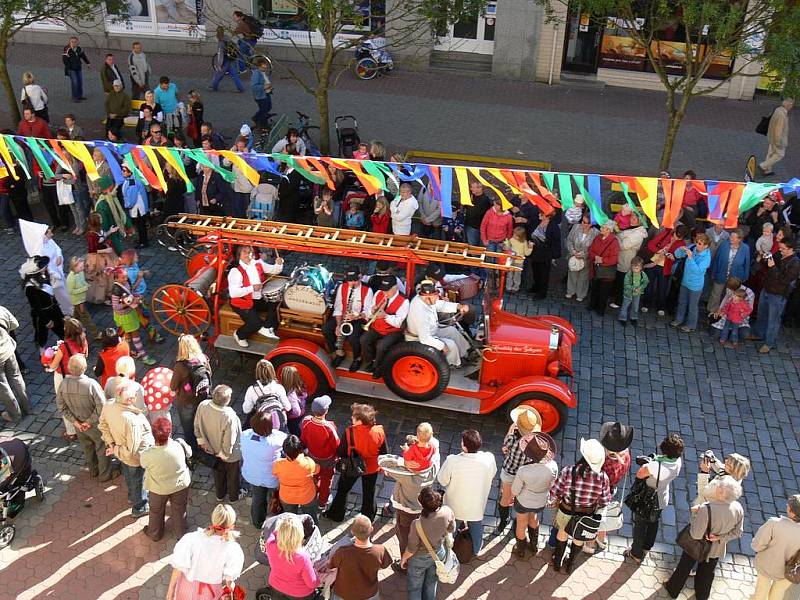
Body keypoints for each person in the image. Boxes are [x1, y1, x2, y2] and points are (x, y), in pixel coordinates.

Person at [664, 478, 744, 600]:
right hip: (716, 548)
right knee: (707, 575)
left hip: (697, 546)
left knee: (684, 567)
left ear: (721, 492)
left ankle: (672, 589)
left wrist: (696, 514)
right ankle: (702, 596)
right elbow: (737, 532)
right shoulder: (738, 508)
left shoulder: (707, 508)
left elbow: (696, 534)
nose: (717, 486)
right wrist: (719, 538)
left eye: (719, 486)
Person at [547, 438, 612, 573]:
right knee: (578, 539)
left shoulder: (569, 471)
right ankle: (570, 564)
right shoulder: (603, 477)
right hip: (586, 515)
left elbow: (555, 490)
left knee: (562, 533)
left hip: (566, 510)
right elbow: (605, 501)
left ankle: (557, 561)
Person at [56, 354, 119, 481]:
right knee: (101, 448)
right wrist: (89, 422)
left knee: (87, 448)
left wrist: (76, 423)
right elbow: (102, 406)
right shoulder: (91, 384)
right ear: (84, 368)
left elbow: (62, 407)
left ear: (69, 368)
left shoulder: (63, 384)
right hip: (95, 425)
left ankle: (93, 470)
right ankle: (104, 475)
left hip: (79, 425)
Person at [624, 433, 684, 564]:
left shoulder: (655, 466)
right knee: (653, 522)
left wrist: (649, 463)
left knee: (640, 525)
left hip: (647, 499)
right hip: (661, 497)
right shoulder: (677, 462)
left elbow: (640, 475)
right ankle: (647, 547)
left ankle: (635, 553)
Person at [436, 429, 496, 557]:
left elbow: (442, 480)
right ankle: (475, 550)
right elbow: (493, 473)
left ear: (464, 446)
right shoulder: (488, 459)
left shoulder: (452, 461)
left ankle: (447, 549)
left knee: (451, 526)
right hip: (476, 504)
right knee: (476, 526)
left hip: (454, 504)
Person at [166, 504, 245, 600]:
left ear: (213, 519)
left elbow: (178, 567)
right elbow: (229, 579)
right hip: (211, 592)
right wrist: (231, 585)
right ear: (232, 525)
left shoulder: (192, 538)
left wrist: (170, 591)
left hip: (187, 588)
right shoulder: (233, 549)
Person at [325, 403, 387, 522]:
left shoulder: (349, 432)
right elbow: (384, 452)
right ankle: (367, 518)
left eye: (354, 417)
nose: (351, 418)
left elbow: (342, 451)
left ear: (361, 421)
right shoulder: (379, 431)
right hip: (371, 468)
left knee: (342, 491)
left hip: (352, 466)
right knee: (369, 492)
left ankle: (336, 514)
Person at [99, 381, 154, 517]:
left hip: (121, 452)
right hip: (134, 457)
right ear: (130, 399)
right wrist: (115, 449)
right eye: (135, 395)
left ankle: (132, 497)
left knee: (129, 477)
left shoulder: (109, 405)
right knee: (137, 480)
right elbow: (132, 449)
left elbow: (103, 425)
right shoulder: (131, 420)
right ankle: (139, 507)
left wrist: (111, 444)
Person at [140, 418, 191, 541]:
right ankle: (180, 534)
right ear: (169, 432)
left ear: (153, 435)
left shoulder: (148, 454)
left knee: (156, 511)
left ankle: (155, 533)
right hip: (180, 485)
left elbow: (143, 464)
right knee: (179, 508)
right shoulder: (178, 445)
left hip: (158, 489)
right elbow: (189, 453)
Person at [400, 488, 455, 600]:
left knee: (415, 588)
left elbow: (412, 548)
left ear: (421, 505)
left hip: (419, 559)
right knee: (431, 583)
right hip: (439, 554)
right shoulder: (447, 511)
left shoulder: (417, 524)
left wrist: (403, 559)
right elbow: (451, 528)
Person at [749, 236, 800, 353]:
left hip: (778, 295)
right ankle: (758, 334)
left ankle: (769, 343)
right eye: (780, 247)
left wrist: (772, 267)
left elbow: (784, 280)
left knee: (773, 320)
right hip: (766, 289)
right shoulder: (779, 255)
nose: (780, 250)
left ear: (791, 249)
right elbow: (768, 263)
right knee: (762, 315)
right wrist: (765, 258)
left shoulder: (795, 264)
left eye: (783, 248)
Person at [511, 432, 558, 557]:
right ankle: (534, 545)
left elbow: (515, 491)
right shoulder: (553, 467)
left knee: (521, 524)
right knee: (534, 519)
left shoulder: (524, 470)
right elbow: (552, 485)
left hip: (523, 501)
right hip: (541, 500)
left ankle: (520, 550)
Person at [405, 280, 470, 368]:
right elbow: (425, 338)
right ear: (428, 297)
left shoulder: (425, 298)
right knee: (450, 345)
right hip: (418, 338)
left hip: (432, 329)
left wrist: (458, 306)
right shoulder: (420, 313)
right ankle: (454, 365)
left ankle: (466, 353)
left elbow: (439, 305)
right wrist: (442, 346)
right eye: (435, 296)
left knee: (452, 331)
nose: (437, 298)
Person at [228, 245, 284, 346]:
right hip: (241, 302)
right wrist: (252, 288)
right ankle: (239, 335)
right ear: (238, 255)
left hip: (256, 299)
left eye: (250, 251)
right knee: (256, 324)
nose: (248, 254)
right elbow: (233, 293)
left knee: (276, 301)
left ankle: (267, 327)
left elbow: (273, 270)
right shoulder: (235, 271)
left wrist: (278, 264)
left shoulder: (258, 263)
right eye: (245, 252)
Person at [195, 385, 243, 503]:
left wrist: (202, 443)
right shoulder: (229, 416)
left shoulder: (203, 406)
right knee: (233, 476)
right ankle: (233, 497)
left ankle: (219, 495)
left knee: (218, 473)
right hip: (229, 455)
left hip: (211, 450)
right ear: (227, 400)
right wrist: (224, 454)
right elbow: (229, 440)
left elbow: (197, 426)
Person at [498, 407, 542, 532]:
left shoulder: (512, 438)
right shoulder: (535, 442)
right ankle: (518, 522)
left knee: (505, 498)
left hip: (509, 472)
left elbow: (505, 448)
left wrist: (512, 429)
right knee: (521, 499)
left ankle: (503, 521)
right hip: (525, 476)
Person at [242, 405, 286, 528]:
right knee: (277, 497)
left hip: (252, 476)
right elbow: (285, 438)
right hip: (272, 478)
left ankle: (258, 522)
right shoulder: (276, 440)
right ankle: (277, 520)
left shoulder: (244, 435)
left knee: (258, 499)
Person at [330, 514, 393, 600]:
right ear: (371, 529)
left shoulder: (342, 552)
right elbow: (384, 566)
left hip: (344, 593)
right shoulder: (380, 550)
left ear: (352, 531)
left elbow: (331, 567)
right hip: (369, 594)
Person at [323, 267, 374, 370]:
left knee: (353, 337)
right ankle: (339, 352)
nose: (352, 283)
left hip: (359, 318)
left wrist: (358, 316)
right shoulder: (342, 287)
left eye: (355, 280)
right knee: (326, 329)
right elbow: (338, 307)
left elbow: (368, 311)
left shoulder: (368, 290)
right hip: (344, 315)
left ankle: (357, 358)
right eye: (350, 280)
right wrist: (338, 325)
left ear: (360, 277)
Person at [751, 495, 800, 600]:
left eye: (788, 505)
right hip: (790, 571)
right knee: (778, 594)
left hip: (767, 566)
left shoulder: (774, 523)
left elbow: (757, 545)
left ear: (791, 512)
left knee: (761, 592)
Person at [170, 334, 213, 456]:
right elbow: (209, 374)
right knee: (201, 422)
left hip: (186, 401)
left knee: (188, 427)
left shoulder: (180, 366)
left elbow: (173, 386)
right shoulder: (203, 358)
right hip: (202, 398)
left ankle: (193, 451)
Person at [360, 275, 409, 379]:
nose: (385, 293)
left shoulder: (404, 301)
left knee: (381, 346)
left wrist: (385, 316)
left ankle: (379, 367)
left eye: (387, 291)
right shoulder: (379, 293)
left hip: (393, 331)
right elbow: (370, 311)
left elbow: (399, 323)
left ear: (395, 288)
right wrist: (371, 312)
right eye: (383, 290)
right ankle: (369, 362)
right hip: (377, 326)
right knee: (363, 339)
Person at [47, 317, 88, 439]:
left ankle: (71, 432)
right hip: (79, 375)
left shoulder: (64, 347)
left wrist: (48, 366)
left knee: (65, 404)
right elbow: (85, 356)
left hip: (63, 377)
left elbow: (54, 365)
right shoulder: (83, 340)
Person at [265, 516, 320, 600]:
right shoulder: (302, 556)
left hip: (276, 587)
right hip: (299, 594)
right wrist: (318, 578)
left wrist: (284, 529)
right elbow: (311, 583)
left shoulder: (270, 545)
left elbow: (273, 533)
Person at [300, 395, 339, 511]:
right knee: (326, 481)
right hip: (327, 459)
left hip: (312, 456)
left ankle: (312, 495)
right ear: (326, 411)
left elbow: (303, 438)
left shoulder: (306, 421)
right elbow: (336, 444)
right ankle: (322, 502)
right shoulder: (329, 426)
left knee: (313, 477)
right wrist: (337, 457)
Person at [110, 267, 156, 366]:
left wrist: (136, 296)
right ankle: (143, 355)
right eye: (122, 278)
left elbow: (130, 292)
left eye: (126, 277)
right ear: (116, 279)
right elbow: (116, 306)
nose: (125, 279)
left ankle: (127, 351)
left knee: (126, 333)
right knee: (135, 334)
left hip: (130, 312)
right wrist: (129, 303)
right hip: (125, 316)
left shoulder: (127, 282)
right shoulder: (115, 290)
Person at [641, 224, 688, 316]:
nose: (676, 238)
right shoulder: (666, 233)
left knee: (662, 289)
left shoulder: (682, 244)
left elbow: (679, 257)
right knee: (649, 286)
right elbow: (651, 244)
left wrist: (673, 257)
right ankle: (646, 304)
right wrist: (659, 251)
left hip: (665, 267)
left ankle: (660, 306)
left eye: (679, 237)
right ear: (674, 232)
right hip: (653, 263)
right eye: (675, 235)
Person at [20, 256, 64, 351]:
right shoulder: (30, 288)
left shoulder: (43, 276)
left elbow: (51, 295)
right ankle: (42, 350)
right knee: (42, 334)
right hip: (42, 315)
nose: (46, 267)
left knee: (62, 330)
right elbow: (36, 307)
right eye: (44, 266)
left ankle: (66, 348)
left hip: (53, 309)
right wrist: (46, 320)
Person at [670, 233, 712, 333]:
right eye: (697, 242)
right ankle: (679, 319)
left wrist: (690, 258)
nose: (697, 245)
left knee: (692, 306)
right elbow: (677, 255)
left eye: (700, 244)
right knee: (682, 302)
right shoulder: (692, 248)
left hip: (695, 286)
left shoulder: (706, 257)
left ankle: (691, 325)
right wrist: (681, 249)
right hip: (685, 281)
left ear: (706, 246)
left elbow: (697, 271)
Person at [273, 434, 320, 521]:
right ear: (300, 449)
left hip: (287, 497)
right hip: (306, 496)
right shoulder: (308, 463)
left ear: (284, 451)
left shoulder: (278, 464)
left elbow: (275, 474)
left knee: (290, 519)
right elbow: (317, 470)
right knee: (311, 518)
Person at [707, 229, 750, 314]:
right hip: (721, 273)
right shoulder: (724, 245)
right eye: (731, 236)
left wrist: (744, 277)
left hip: (735, 278)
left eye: (734, 237)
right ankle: (711, 313)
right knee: (715, 294)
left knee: (731, 297)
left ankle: (725, 315)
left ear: (739, 239)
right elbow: (717, 259)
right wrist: (714, 273)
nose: (731, 239)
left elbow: (746, 264)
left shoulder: (745, 248)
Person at [0, 306, 30, 423]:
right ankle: (27, 407)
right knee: (16, 377)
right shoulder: (1, 309)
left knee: (3, 386)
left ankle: (15, 415)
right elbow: (15, 324)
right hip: (8, 349)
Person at [610, 213, 647, 307]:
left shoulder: (638, 234)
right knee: (618, 279)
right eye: (632, 217)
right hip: (621, 258)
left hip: (627, 260)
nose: (632, 219)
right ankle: (615, 297)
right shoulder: (631, 228)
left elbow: (623, 245)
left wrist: (616, 237)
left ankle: (619, 301)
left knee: (622, 280)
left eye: (635, 219)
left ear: (640, 222)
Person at [242, 358, 290, 429]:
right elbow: (288, 407)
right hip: (278, 421)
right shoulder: (279, 388)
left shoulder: (251, 390)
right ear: (272, 372)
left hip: (263, 422)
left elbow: (246, 410)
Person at [93, 175, 132, 255]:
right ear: (107, 189)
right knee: (119, 254)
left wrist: (128, 225)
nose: (115, 189)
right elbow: (104, 227)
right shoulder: (101, 205)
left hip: (115, 231)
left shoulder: (112, 197)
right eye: (113, 187)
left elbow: (120, 212)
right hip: (111, 235)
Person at [587, 222, 619, 315]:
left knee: (603, 292)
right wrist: (595, 257)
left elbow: (614, 258)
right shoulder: (598, 238)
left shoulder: (614, 242)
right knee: (595, 288)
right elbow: (591, 250)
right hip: (596, 269)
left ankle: (600, 309)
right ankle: (592, 305)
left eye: (604, 228)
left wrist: (602, 260)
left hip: (606, 272)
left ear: (609, 230)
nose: (601, 228)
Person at [527, 210, 561, 298]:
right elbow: (530, 231)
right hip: (534, 252)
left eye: (542, 214)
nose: (539, 215)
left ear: (548, 216)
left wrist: (553, 255)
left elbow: (556, 242)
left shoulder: (553, 227)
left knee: (544, 274)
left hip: (545, 254)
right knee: (535, 271)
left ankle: (542, 293)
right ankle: (536, 286)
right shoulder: (536, 221)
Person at [565, 212, 597, 302]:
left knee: (583, 277)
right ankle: (570, 291)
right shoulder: (576, 227)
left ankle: (581, 294)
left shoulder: (595, 233)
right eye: (582, 221)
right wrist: (573, 251)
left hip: (586, 259)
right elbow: (569, 240)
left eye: (585, 222)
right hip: (573, 255)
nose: (582, 223)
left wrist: (583, 254)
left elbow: (594, 248)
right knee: (572, 274)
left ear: (591, 224)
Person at [759, 97, 794, 177]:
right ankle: (763, 166)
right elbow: (778, 129)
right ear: (789, 105)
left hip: (771, 136)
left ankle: (767, 170)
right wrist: (778, 142)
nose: (792, 107)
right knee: (780, 155)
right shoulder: (782, 115)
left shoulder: (778, 109)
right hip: (777, 139)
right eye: (792, 105)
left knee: (771, 154)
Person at [120, 165, 150, 248]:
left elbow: (132, 197)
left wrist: (127, 205)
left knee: (141, 225)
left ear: (130, 172)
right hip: (138, 207)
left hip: (138, 208)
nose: (122, 172)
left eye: (124, 170)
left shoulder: (132, 181)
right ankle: (142, 240)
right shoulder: (131, 179)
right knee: (140, 225)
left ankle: (143, 242)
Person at [210, 27, 245, 93]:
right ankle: (240, 88)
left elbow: (221, 55)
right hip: (232, 58)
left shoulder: (221, 42)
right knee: (234, 75)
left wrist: (219, 64)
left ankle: (214, 87)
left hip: (226, 60)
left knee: (219, 73)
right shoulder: (227, 38)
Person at [619, 256, 648, 327]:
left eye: (637, 268)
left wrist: (640, 287)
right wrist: (633, 288)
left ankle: (633, 318)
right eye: (633, 267)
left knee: (635, 307)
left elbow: (646, 282)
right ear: (631, 266)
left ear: (641, 268)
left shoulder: (642, 274)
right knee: (624, 307)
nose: (635, 269)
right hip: (628, 294)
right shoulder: (628, 274)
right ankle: (622, 318)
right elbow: (626, 285)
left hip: (637, 294)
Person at [504, 225, 533, 293]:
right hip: (511, 260)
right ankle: (508, 287)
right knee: (509, 274)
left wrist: (530, 247)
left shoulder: (524, 243)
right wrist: (506, 244)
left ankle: (515, 288)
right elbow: (508, 248)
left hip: (519, 262)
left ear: (521, 236)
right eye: (513, 234)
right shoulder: (512, 239)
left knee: (517, 276)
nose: (513, 236)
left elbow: (527, 253)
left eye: (515, 235)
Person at [62, 36, 91, 102]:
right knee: (75, 82)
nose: (73, 43)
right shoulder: (67, 49)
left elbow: (83, 56)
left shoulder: (79, 49)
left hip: (78, 68)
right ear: (69, 42)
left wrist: (88, 63)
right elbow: (64, 60)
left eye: (75, 42)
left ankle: (80, 96)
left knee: (80, 82)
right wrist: (69, 67)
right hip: (71, 69)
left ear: (77, 42)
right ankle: (75, 97)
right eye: (72, 42)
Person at [464, 181, 491, 247]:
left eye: (473, 187)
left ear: (480, 188)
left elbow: (474, 213)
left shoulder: (484, 200)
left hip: (475, 226)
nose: (471, 189)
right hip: (468, 224)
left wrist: (468, 204)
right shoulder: (472, 196)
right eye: (471, 187)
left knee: (473, 245)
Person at [251, 57, 273, 128]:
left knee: (268, 107)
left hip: (266, 93)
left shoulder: (262, 72)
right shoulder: (256, 74)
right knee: (264, 109)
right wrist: (264, 87)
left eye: (265, 66)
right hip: (260, 95)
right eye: (263, 66)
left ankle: (256, 118)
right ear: (259, 66)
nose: (265, 67)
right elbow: (254, 87)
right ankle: (263, 125)